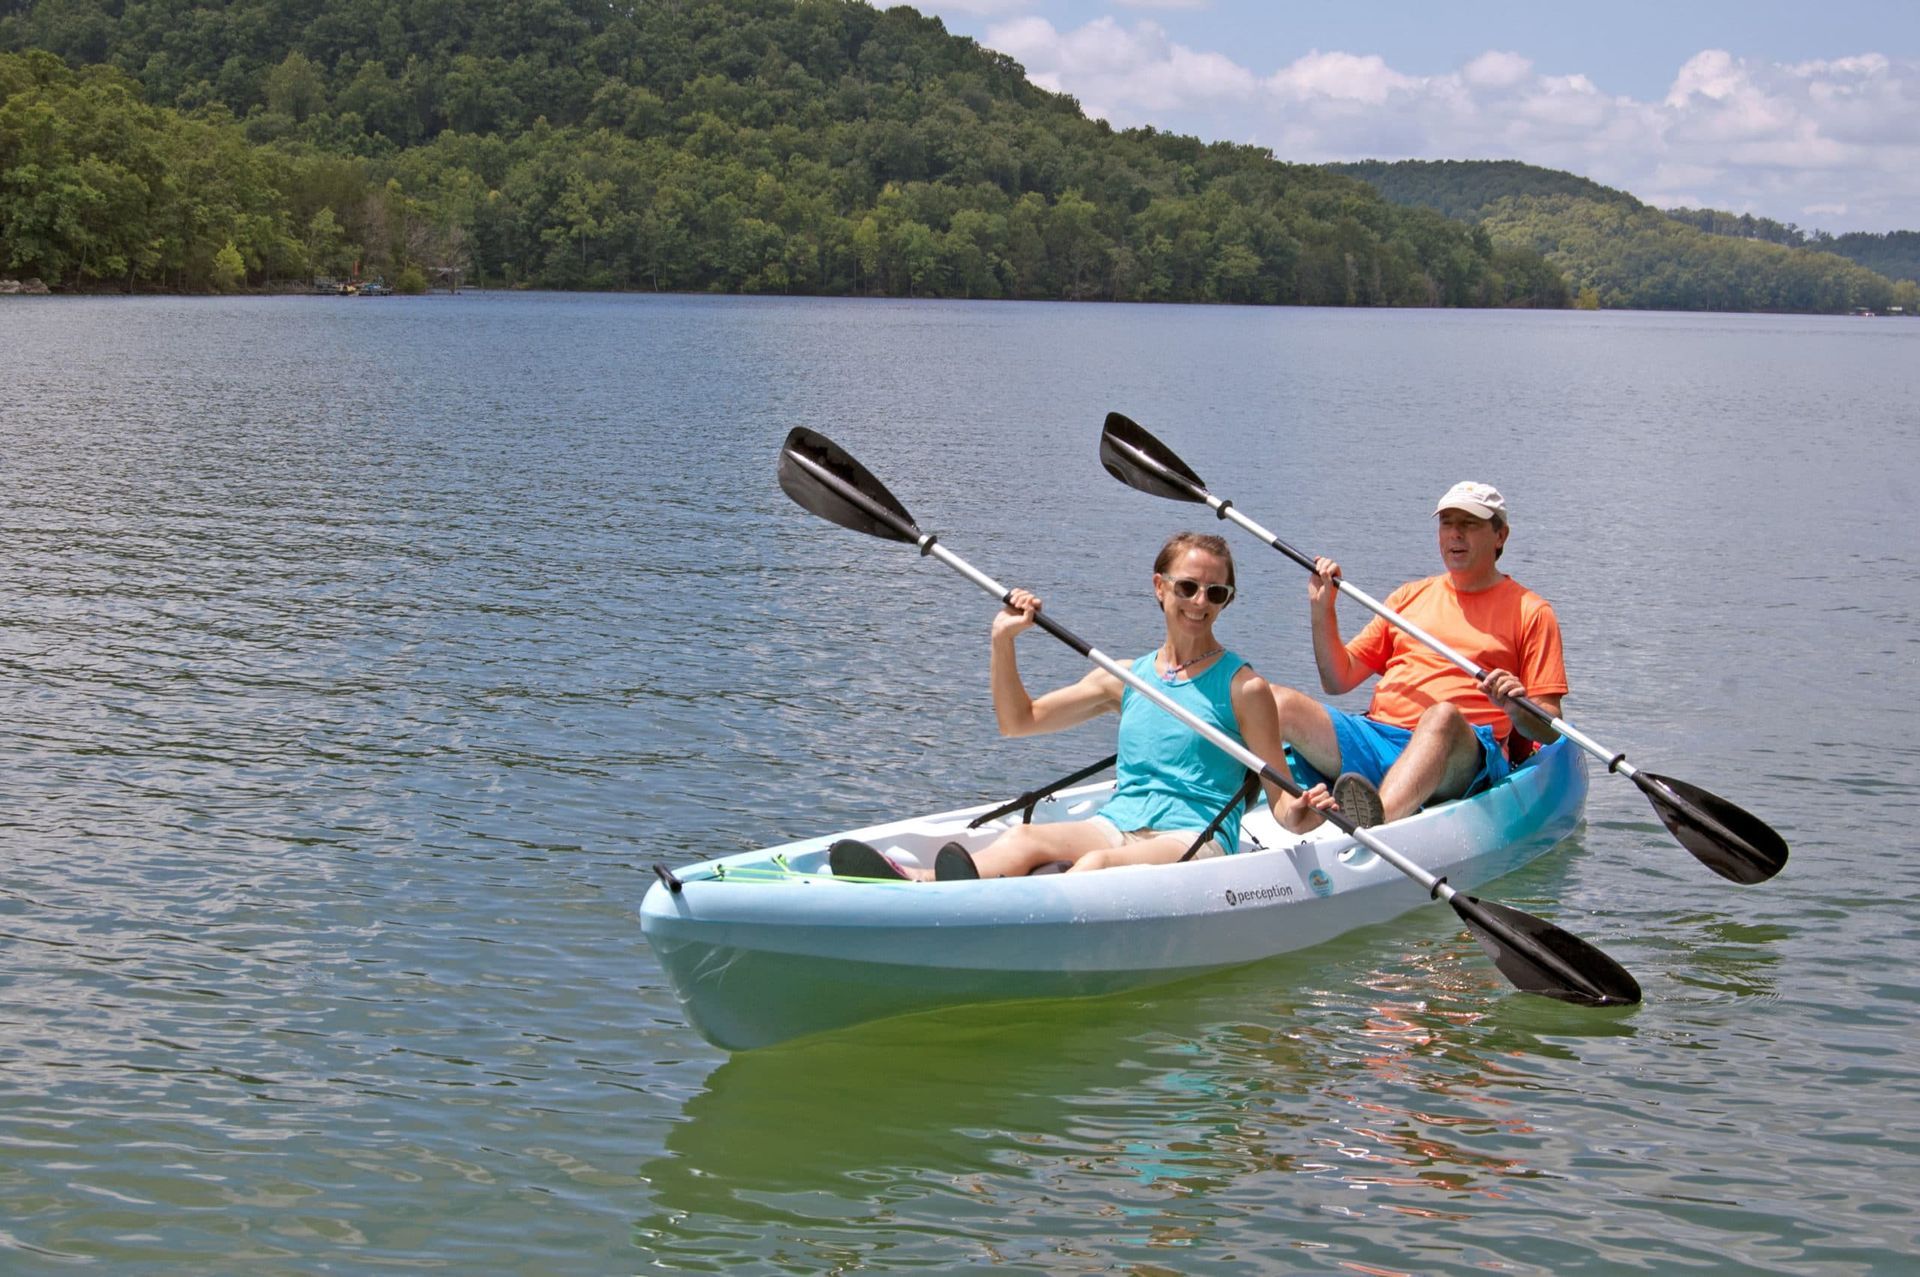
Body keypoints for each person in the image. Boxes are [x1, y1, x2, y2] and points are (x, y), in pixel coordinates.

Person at [830, 532, 1338, 881]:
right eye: (1187, 587)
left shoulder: (1243, 688)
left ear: (1227, 599)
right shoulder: (1121, 678)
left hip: (1194, 834)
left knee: (1094, 866)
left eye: (1216, 592)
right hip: (1119, 821)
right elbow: (1017, 722)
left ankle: (1002, 910)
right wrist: (1003, 639)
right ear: (1160, 587)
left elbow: (1280, 804)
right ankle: (917, 881)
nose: (1199, 602)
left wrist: (1302, 812)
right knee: (1024, 841)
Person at [1269, 480, 1568, 829]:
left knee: (1440, 717)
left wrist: (1516, 707)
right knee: (1273, 701)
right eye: (1447, 523)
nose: (1455, 534)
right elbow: (1337, 679)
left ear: (1500, 535)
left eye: (1469, 524)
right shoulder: (1408, 597)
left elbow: (1550, 727)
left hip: (1459, 755)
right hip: (1379, 737)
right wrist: (1323, 611)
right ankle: (1279, 812)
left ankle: (1374, 823)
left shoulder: (1531, 611)